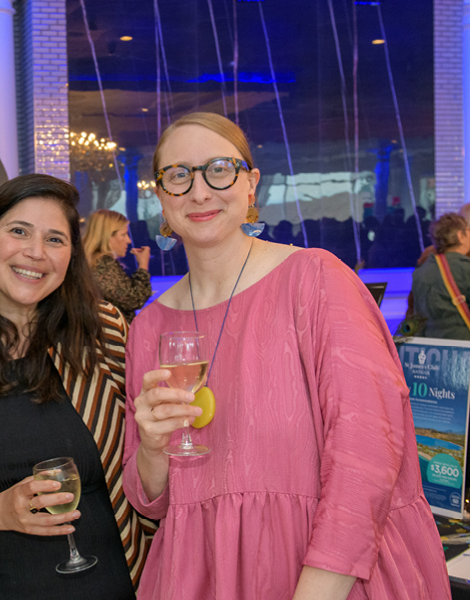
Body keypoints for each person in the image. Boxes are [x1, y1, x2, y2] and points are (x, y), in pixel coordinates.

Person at [122, 112, 450, 600]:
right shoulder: (148, 327)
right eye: (178, 175)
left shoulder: (315, 279)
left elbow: (368, 452)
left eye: (219, 169)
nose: (200, 191)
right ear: (161, 198)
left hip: (332, 572)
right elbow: (153, 500)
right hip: (202, 572)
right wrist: (151, 446)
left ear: (251, 185)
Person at [0, 174, 153, 600]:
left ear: (71, 256)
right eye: (19, 231)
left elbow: (149, 468)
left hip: (121, 583)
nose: (36, 253)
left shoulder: (107, 334)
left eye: (56, 239)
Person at [82, 209, 152, 323]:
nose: (128, 240)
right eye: (123, 234)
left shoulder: (93, 262)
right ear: (107, 236)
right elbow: (132, 300)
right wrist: (143, 265)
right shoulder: (103, 264)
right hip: (110, 337)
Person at [410, 212, 470, 340]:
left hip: (433, 345)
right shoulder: (466, 268)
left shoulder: (421, 271)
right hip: (464, 346)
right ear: (460, 235)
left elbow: (417, 318)